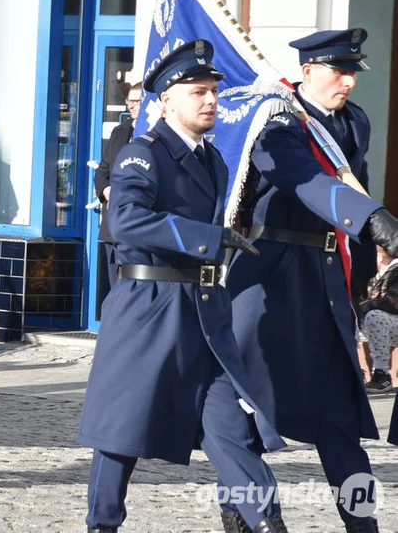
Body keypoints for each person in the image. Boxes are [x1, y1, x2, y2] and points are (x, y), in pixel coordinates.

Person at [77, 39, 288, 533]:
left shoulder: (213, 160)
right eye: (199, 91)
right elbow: (125, 220)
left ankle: (268, 524)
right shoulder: (142, 154)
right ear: (167, 101)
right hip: (148, 310)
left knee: (232, 431)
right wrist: (206, 238)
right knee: (120, 435)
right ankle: (101, 525)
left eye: (214, 90)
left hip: (203, 313)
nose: (211, 99)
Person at [225, 28, 398, 532]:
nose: (348, 82)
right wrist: (371, 218)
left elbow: (352, 182)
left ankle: (362, 523)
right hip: (269, 278)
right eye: (338, 71)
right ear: (307, 72)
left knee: (340, 419)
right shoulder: (275, 123)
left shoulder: (355, 123)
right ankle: (241, 514)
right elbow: (309, 182)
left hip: (326, 280)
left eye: (353, 72)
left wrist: (367, 275)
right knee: (250, 417)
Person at [92, 81, 141, 314]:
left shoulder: (156, 133)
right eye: (130, 100)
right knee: (115, 287)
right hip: (113, 225)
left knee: (134, 291)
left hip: (139, 226)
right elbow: (102, 170)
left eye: (137, 101)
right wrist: (106, 189)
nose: (132, 105)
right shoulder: (120, 132)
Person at [359, 247, 398, 393]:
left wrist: (362, 308)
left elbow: (393, 302)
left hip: (390, 321)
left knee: (375, 317)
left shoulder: (396, 268)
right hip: (385, 323)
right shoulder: (374, 271)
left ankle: (382, 375)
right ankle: (357, 371)